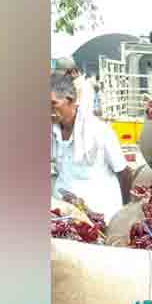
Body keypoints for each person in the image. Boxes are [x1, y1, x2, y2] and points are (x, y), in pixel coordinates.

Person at [50, 72, 134, 217]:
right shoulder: (52, 131)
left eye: (53, 104)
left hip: (100, 215)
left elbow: (124, 173)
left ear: (70, 101)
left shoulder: (99, 131)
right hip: (65, 214)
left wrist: (125, 211)